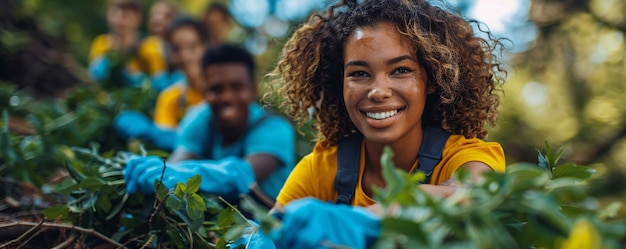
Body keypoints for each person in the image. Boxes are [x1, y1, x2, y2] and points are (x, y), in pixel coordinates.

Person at [251, 0, 507, 248]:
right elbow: (270, 234)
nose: (378, 91)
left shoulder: (468, 157)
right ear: (338, 83)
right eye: (359, 74)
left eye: (400, 70)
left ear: (431, 80)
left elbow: (470, 195)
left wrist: (365, 219)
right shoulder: (321, 168)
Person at [123, 44, 296, 208]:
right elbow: (181, 158)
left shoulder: (274, 128)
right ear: (205, 92)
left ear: (252, 90)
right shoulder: (200, 119)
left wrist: (183, 175)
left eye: (237, 87)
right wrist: (160, 174)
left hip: (268, 226)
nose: (227, 97)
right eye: (216, 89)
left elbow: (242, 174)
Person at [114, 16, 210, 152]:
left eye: (192, 47)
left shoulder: (223, 91)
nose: (185, 56)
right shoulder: (170, 98)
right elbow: (168, 145)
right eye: (177, 49)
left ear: (206, 47)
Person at [88, 0, 170, 91]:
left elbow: (160, 81)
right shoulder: (101, 43)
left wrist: (136, 77)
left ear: (137, 18)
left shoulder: (148, 46)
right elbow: (94, 76)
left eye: (125, 16)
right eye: (115, 14)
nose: (119, 21)